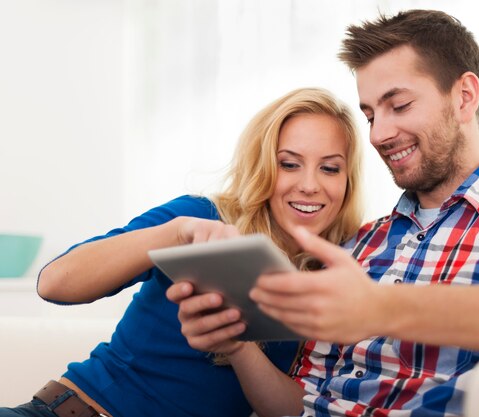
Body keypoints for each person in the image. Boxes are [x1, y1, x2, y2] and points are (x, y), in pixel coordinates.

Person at [167, 9, 479, 417]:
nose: (378, 134)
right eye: (369, 115)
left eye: (399, 105)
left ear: (464, 96)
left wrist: (381, 307)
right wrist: (238, 345)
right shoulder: (358, 246)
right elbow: (298, 405)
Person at [0, 87, 364, 417]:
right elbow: (55, 284)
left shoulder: (344, 275)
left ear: (347, 181)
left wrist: (239, 348)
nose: (309, 185)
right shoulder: (201, 217)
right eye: (289, 164)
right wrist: (174, 234)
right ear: (264, 166)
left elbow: (296, 410)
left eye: (329, 168)